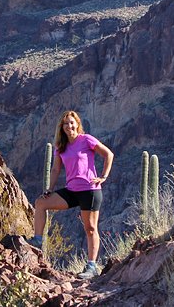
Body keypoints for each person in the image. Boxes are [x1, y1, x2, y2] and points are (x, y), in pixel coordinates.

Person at [29, 110, 114, 280]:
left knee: (90, 228)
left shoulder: (86, 139)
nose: (69, 126)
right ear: (62, 127)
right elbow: (55, 169)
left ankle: (92, 267)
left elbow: (108, 154)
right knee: (41, 203)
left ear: (77, 124)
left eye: (71, 122)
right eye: (65, 124)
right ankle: (38, 241)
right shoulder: (61, 147)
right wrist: (50, 189)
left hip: (90, 190)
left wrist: (104, 176)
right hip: (72, 190)